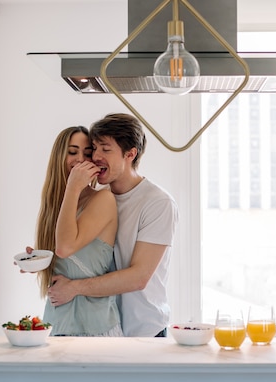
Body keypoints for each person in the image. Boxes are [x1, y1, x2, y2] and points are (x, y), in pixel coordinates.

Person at [47, 113, 179, 337]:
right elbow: (82, 255)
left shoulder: (157, 202)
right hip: (103, 324)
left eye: (105, 150)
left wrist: (74, 288)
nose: (95, 157)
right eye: (94, 149)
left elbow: (138, 277)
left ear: (130, 154)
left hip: (143, 330)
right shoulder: (99, 198)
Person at [32, 125, 122, 336]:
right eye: (72, 152)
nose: (80, 159)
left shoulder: (102, 199)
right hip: (58, 324)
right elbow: (63, 260)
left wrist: (73, 186)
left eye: (87, 154)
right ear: (59, 157)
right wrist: (38, 260)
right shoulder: (56, 206)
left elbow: (65, 247)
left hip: (96, 327)